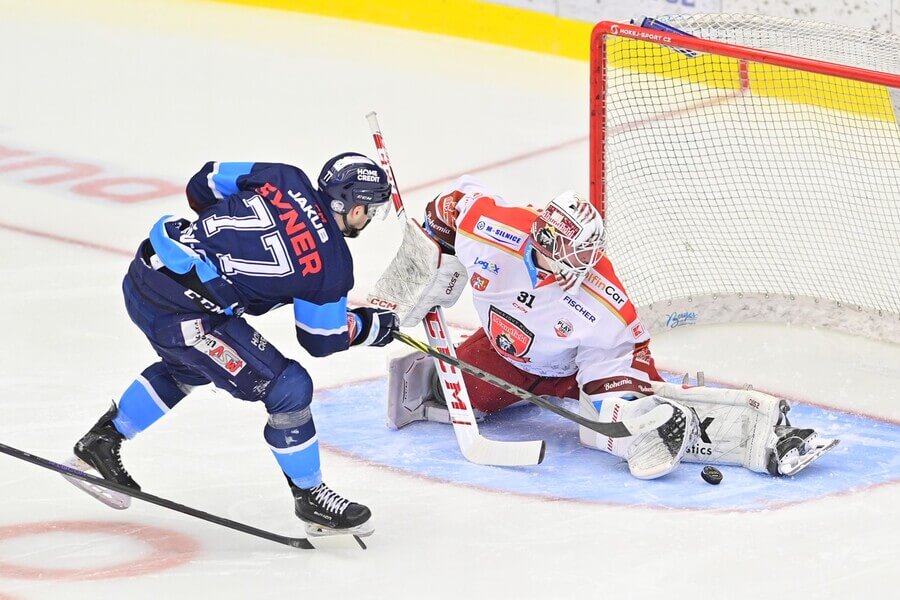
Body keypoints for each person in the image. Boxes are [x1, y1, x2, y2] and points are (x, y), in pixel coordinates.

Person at [375, 176, 836, 478]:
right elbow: (449, 207)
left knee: (617, 423)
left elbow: (625, 349)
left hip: (582, 365)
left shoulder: (603, 298)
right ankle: (644, 419)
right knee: (454, 394)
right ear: (547, 237)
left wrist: (626, 403)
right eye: (574, 253)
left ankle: (755, 433)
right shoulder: (494, 231)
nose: (586, 264)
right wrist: (431, 256)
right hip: (506, 354)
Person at [70, 154, 399, 537]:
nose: (369, 218)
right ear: (354, 206)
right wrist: (368, 326)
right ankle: (311, 499)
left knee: (190, 367)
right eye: (370, 210)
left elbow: (203, 181)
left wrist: (224, 245)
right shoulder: (333, 264)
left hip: (144, 273)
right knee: (289, 388)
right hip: (185, 318)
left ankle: (101, 441)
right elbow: (321, 340)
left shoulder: (282, 175)